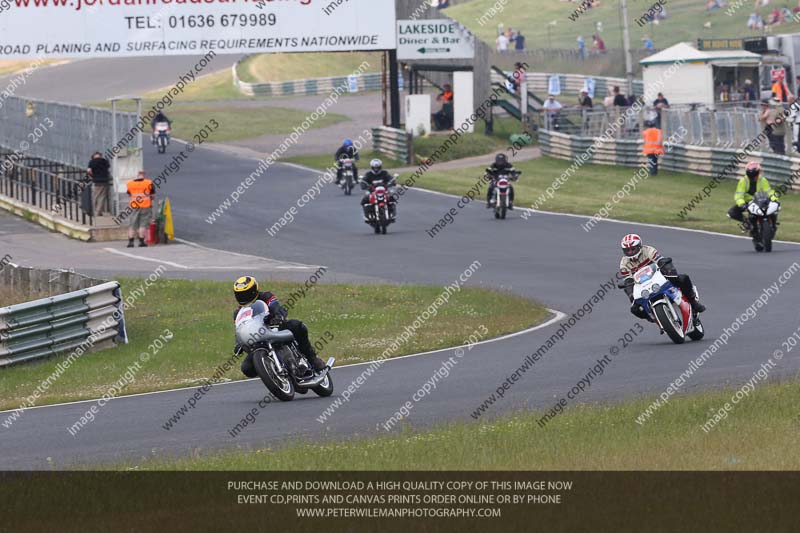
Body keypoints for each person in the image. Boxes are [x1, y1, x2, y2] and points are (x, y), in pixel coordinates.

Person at [232, 276, 327, 375]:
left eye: (246, 293)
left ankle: (312, 359)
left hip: (276, 328)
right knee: (247, 368)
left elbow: (276, 306)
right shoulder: (238, 313)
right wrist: (239, 343)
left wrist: (278, 316)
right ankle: (272, 373)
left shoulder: (265, 296)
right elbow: (240, 330)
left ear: (254, 290)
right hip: (258, 340)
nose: (243, 297)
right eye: (240, 294)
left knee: (297, 325)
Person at [618, 234, 706, 320]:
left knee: (683, 278)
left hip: (658, 277)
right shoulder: (624, 263)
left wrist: (670, 272)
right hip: (642, 286)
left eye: (633, 249)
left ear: (639, 246)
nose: (630, 252)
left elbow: (661, 260)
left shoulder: (648, 250)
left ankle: (693, 302)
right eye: (627, 250)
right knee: (634, 308)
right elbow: (628, 280)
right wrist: (631, 296)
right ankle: (652, 317)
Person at [727, 161, 779, 238]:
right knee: (731, 212)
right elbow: (738, 195)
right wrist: (742, 204)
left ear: (758, 173)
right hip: (748, 203)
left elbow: (769, 191)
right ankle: (747, 222)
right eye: (751, 175)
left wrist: (774, 198)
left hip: (761, 200)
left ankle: (773, 225)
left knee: (774, 209)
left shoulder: (762, 180)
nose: (754, 177)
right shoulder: (743, 181)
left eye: (755, 175)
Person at [125, 170, 155, 248]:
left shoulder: (130, 184)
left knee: (133, 224)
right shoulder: (148, 183)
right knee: (143, 224)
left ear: (137, 175)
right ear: (144, 175)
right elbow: (153, 195)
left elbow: (129, 194)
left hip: (134, 206)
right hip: (145, 206)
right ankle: (141, 242)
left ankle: (130, 242)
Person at [86, 151, 111, 217]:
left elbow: (89, 171)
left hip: (96, 181)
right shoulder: (105, 161)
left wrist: (92, 176)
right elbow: (108, 168)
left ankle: (94, 212)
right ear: (100, 155)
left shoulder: (92, 162)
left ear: (93, 156)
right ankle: (98, 212)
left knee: (94, 197)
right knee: (102, 198)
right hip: (105, 181)